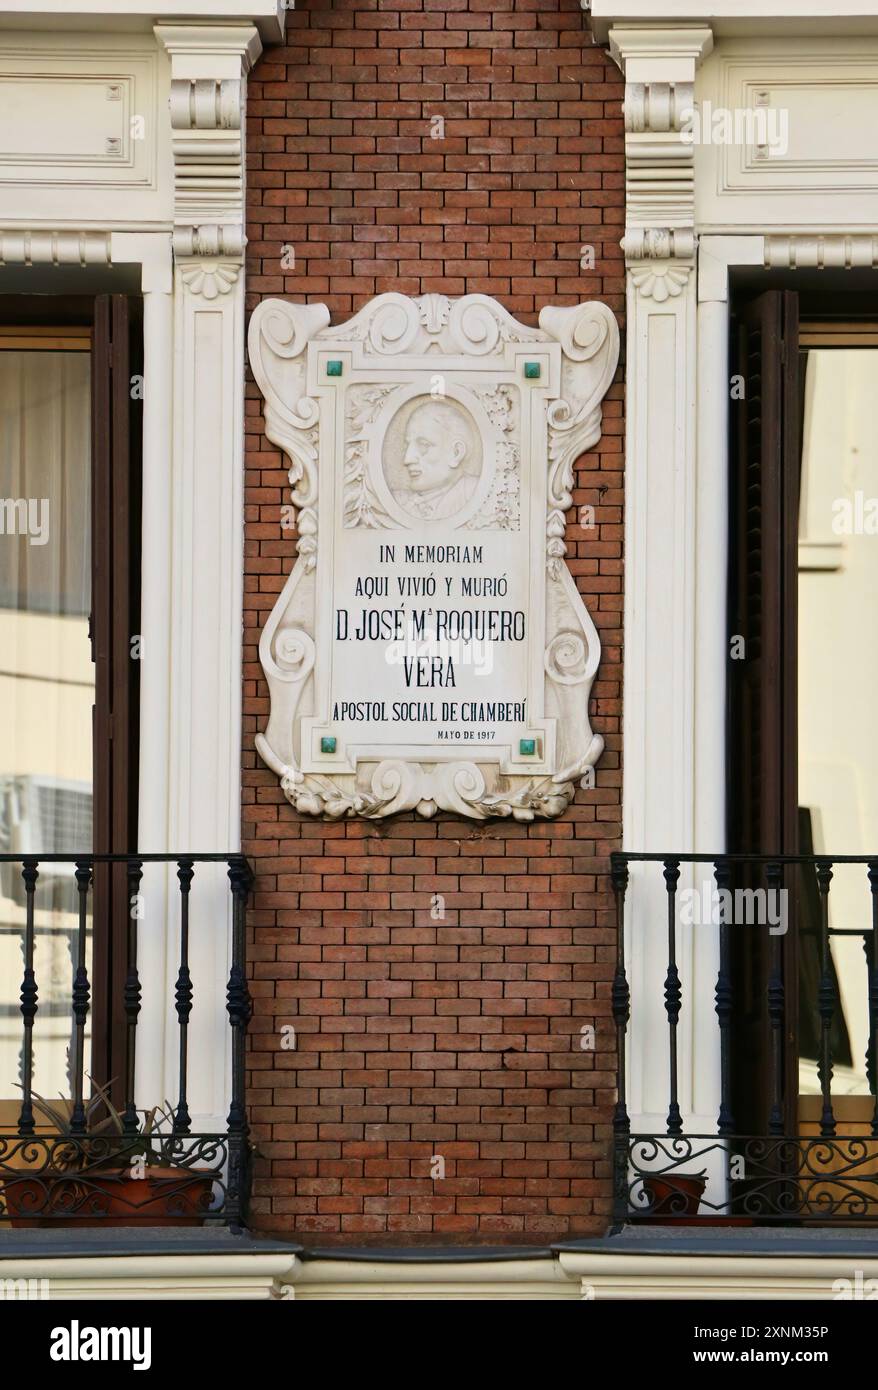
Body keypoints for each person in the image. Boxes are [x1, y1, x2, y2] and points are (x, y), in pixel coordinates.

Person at [392, 400, 478, 520]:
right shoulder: (397, 501)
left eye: (424, 444)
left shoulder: (477, 494)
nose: (408, 459)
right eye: (408, 445)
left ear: (456, 453)